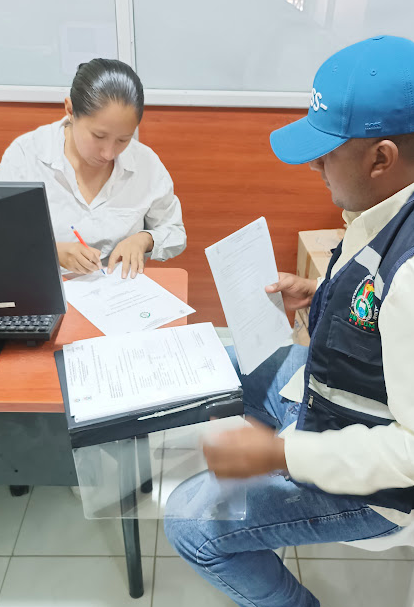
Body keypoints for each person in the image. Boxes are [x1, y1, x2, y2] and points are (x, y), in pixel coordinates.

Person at [164, 35, 414, 607]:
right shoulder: (385, 207)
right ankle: (267, 500)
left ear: (381, 158)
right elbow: (379, 306)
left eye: (327, 152)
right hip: (330, 403)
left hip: (382, 488)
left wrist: (278, 455)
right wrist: (322, 294)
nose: (315, 166)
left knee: (189, 522)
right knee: (220, 363)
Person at [0, 59, 186, 278]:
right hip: (44, 287)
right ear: (70, 110)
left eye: (123, 139)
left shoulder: (145, 164)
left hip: (119, 291)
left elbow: (174, 232)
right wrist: (53, 252)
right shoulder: (26, 156)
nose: (109, 153)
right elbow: (6, 236)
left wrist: (145, 239)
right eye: (99, 136)